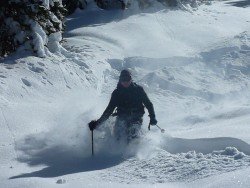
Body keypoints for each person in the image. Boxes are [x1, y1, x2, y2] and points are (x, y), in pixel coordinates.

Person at [88, 69, 157, 141]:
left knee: (132, 136)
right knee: (117, 137)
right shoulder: (116, 93)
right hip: (121, 118)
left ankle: (134, 147)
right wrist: (97, 123)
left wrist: (153, 117)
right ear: (120, 80)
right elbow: (109, 110)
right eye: (123, 79)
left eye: (127, 79)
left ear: (131, 79)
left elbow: (148, 104)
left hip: (136, 118)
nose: (125, 82)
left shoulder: (138, 90)